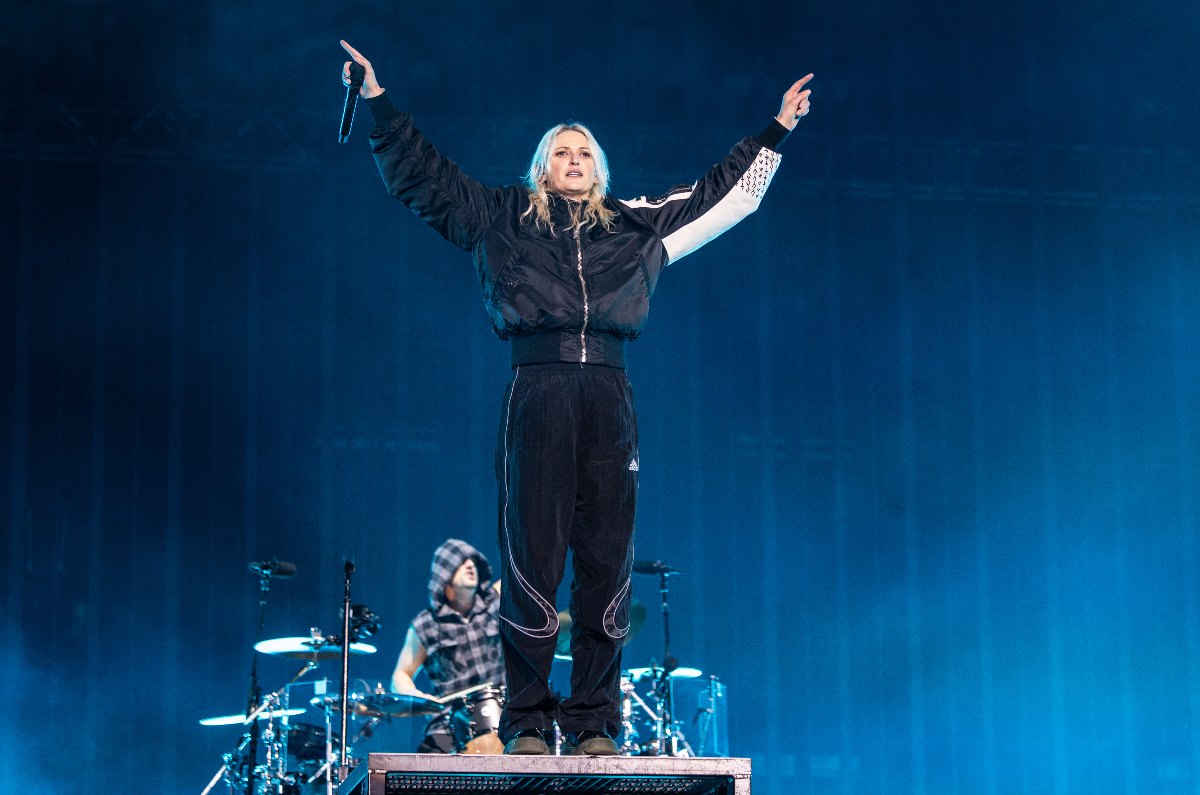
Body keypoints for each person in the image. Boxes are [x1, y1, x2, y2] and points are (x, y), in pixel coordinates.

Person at [341, 39, 812, 756]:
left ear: (599, 169)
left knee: (605, 560)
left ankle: (593, 720)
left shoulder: (637, 225)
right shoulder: (500, 217)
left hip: (609, 394)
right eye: (561, 151)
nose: (573, 158)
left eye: (584, 152)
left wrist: (774, 131)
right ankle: (529, 719)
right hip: (538, 388)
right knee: (532, 557)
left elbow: (724, 195)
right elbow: (424, 179)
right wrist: (378, 102)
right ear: (540, 166)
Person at [391, 538, 504, 753]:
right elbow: (400, 675)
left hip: (502, 716)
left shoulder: (496, 600)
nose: (470, 565)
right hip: (448, 723)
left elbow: (522, 574)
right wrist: (415, 696)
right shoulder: (426, 624)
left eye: (473, 561)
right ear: (444, 575)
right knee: (424, 769)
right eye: (462, 562)